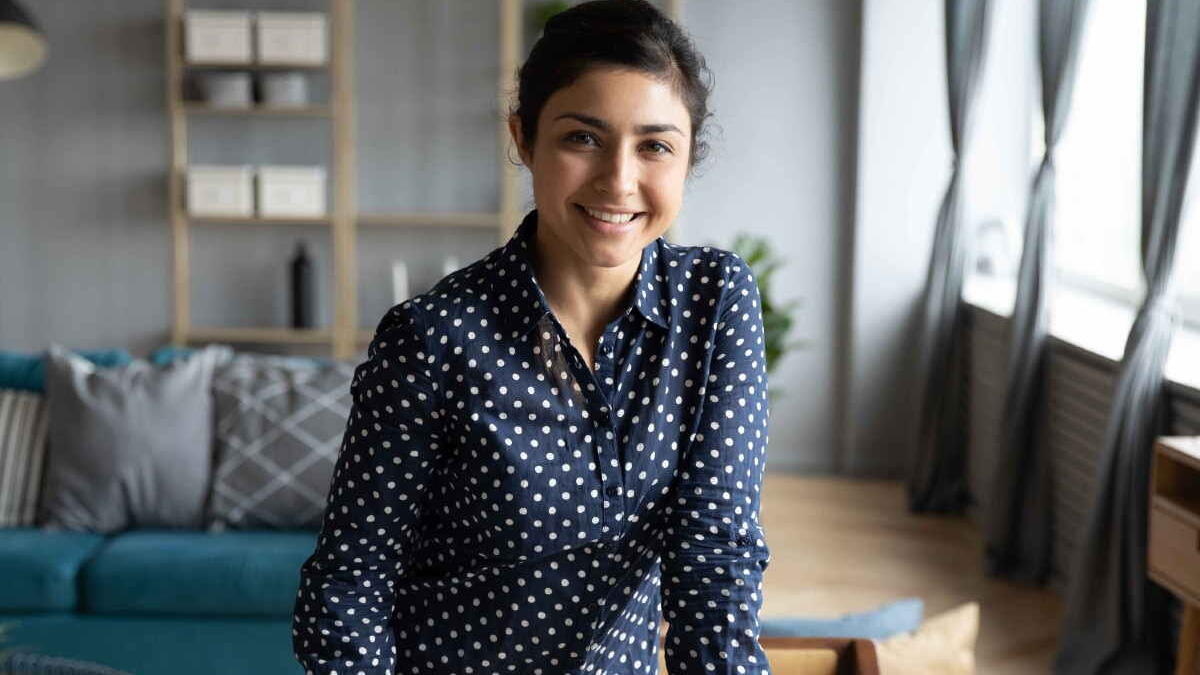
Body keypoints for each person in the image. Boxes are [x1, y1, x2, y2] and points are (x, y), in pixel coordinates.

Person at [291, 1, 772, 672]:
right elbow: (348, 586)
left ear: (688, 156)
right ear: (524, 138)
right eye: (582, 138)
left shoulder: (715, 304)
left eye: (655, 145)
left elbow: (715, 563)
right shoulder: (433, 339)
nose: (619, 179)